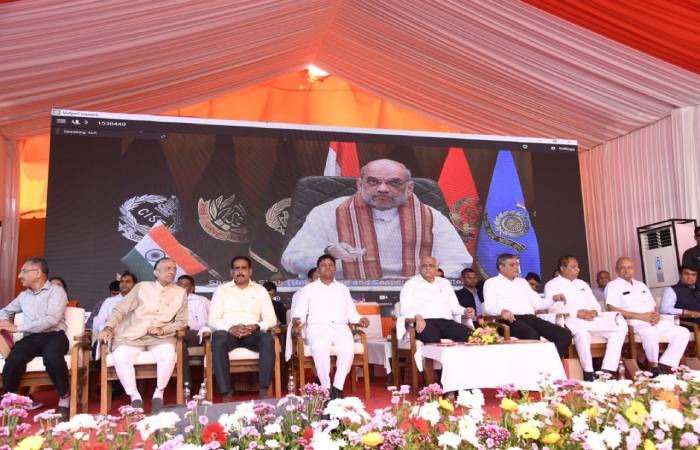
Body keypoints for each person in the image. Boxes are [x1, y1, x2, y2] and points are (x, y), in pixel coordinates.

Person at [281, 159, 472, 279]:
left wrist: (433, 277)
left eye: (394, 183)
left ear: (409, 188)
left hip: (416, 297)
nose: (382, 189)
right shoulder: (327, 212)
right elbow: (291, 260)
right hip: (342, 295)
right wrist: (329, 253)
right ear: (359, 185)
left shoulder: (430, 216)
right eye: (373, 182)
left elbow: (459, 261)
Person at [100, 258, 187, 412]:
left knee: (167, 353)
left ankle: (158, 394)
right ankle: (134, 396)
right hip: (133, 335)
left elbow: (182, 321)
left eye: (174, 268)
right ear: (156, 272)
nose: (172, 271)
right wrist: (109, 327)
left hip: (161, 337)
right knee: (120, 355)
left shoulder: (180, 292)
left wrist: (163, 330)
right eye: (167, 268)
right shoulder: (142, 287)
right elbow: (121, 309)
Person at [0, 257, 71, 420]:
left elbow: (51, 319)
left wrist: (18, 328)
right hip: (31, 338)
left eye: (24, 271)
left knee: (52, 357)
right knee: (14, 359)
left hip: (54, 335)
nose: (19, 276)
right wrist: (3, 322)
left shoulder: (56, 291)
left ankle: (64, 397)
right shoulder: (23, 296)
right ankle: (10, 402)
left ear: (38, 273)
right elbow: (4, 311)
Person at [292, 255, 370, 399]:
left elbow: (351, 312)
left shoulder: (343, 289)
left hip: (340, 328)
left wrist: (360, 319)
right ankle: (326, 387)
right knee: (320, 347)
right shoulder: (308, 289)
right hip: (318, 328)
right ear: (318, 270)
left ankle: (337, 388)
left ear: (335, 269)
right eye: (324, 265)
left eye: (331, 265)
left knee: (348, 347)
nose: (327, 267)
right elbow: (299, 312)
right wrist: (297, 321)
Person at [544, 256, 627, 381]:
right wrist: (576, 313)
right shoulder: (552, 285)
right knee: (582, 333)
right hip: (571, 320)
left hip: (591, 319)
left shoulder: (582, 284)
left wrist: (594, 311)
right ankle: (589, 373)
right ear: (562, 268)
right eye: (573, 267)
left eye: (577, 267)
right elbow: (553, 309)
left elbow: (595, 305)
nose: (577, 269)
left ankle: (607, 371)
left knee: (619, 329)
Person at [208, 256, 277, 402]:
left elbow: (271, 318)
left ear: (250, 271)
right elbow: (213, 319)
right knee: (218, 339)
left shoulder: (260, 291)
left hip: (252, 334)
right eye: (237, 268)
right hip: (229, 334)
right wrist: (230, 328)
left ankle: (264, 390)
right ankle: (226, 393)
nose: (240, 271)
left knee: (267, 339)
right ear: (231, 272)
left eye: (244, 268)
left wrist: (256, 326)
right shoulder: (222, 290)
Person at [606, 257, 689, 376]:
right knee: (650, 332)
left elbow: (653, 306)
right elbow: (611, 308)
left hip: (652, 320)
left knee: (683, 332)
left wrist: (656, 316)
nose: (626, 270)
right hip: (633, 322)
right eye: (622, 268)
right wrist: (640, 316)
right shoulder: (612, 285)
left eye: (629, 267)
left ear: (633, 269)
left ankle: (666, 365)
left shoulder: (641, 285)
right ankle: (654, 366)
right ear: (616, 270)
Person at [483, 253, 572, 357]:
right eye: (512, 265)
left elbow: (538, 303)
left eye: (517, 264)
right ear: (501, 267)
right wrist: (502, 311)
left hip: (531, 318)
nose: (516, 267)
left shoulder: (522, 282)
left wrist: (553, 299)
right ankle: (540, 364)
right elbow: (489, 308)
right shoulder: (491, 283)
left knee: (564, 335)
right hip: (510, 320)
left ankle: (547, 361)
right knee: (532, 335)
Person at [399, 256, 473, 343]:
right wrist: (416, 317)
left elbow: (454, 306)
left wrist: (465, 311)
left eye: (431, 265)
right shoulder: (410, 284)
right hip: (424, 322)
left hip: (447, 323)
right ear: (419, 268)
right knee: (432, 340)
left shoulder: (445, 283)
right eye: (424, 265)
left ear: (436, 268)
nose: (427, 268)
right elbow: (404, 310)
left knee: (471, 336)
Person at [91, 272, 138, 357]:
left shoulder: (140, 300)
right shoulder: (109, 301)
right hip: (112, 337)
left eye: (128, 281)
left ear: (135, 285)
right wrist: (107, 330)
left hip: (134, 337)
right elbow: (98, 323)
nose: (124, 284)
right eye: (122, 281)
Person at [177, 274, 211, 387]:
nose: (182, 288)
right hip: (177, 335)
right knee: (181, 344)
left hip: (195, 334)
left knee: (181, 337)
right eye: (180, 285)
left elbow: (203, 323)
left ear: (192, 288)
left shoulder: (199, 301)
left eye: (185, 285)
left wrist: (186, 326)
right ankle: (187, 385)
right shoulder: (170, 301)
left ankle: (187, 385)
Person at [285, 268, 319, 362]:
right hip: (308, 330)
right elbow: (297, 318)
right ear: (310, 280)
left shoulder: (330, 293)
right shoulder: (300, 294)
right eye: (317, 278)